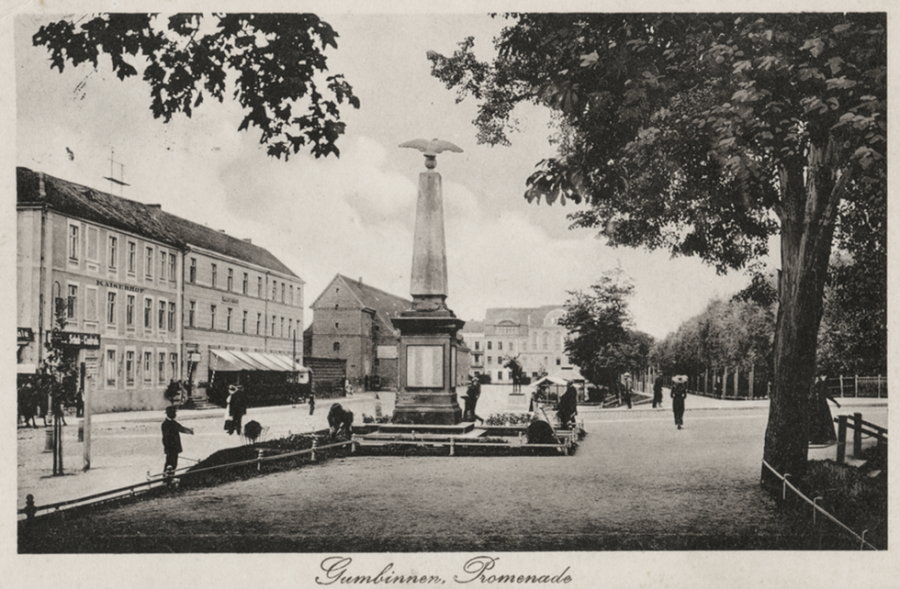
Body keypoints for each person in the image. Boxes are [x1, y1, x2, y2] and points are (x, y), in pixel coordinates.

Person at [161, 406, 193, 479]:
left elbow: (181, 428)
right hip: (170, 448)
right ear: (168, 414)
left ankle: (170, 478)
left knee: (174, 464)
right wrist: (167, 449)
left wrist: (189, 431)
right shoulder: (165, 424)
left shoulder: (174, 423)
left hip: (175, 448)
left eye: (175, 413)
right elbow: (165, 438)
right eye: (173, 413)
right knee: (169, 464)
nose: (175, 415)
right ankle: (165, 479)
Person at [809, 375, 840, 445]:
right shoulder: (812, 383)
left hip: (822, 405)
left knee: (824, 420)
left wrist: (835, 402)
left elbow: (827, 394)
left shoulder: (822, 384)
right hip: (814, 405)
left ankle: (824, 438)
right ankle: (815, 438)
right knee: (815, 421)